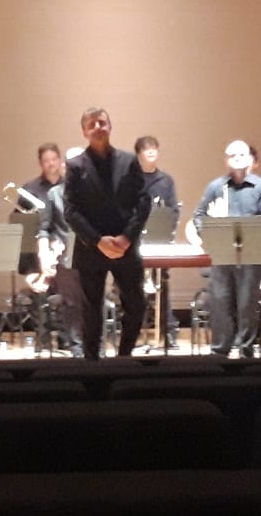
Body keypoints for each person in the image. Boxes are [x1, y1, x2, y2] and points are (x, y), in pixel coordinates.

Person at [62, 107, 152, 358]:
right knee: (91, 311)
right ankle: (93, 365)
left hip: (126, 245)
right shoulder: (76, 165)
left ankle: (124, 357)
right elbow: (70, 211)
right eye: (91, 124)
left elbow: (143, 202)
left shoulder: (129, 161)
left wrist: (127, 237)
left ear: (110, 126)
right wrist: (97, 240)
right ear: (84, 132)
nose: (97, 127)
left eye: (102, 123)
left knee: (136, 305)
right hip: (91, 248)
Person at [191, 139, 261, 358]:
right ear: (225, 161)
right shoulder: (215, 187)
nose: (237, 158)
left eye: (242, 154)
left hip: (252, 257)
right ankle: (219, 352)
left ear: (250, 159)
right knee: (220, 303)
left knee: (247, 305)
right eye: (232, 155)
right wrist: (209, 233)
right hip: (222, 256)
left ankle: (245, 352)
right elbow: (199, 215)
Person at [19, 142, 82, 356]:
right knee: (62, 301)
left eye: (54, 159)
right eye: (46, 160)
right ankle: (47, 341)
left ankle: (73, 341)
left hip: (79, 253)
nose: (51, 164)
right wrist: (39, 261)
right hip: (50, 255)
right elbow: (37, 229)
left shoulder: (84, 191)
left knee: (84, 301)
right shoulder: (35, 190)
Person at [135, 135, 183, 349]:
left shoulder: (165, 180)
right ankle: (135, 331)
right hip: (135, 240)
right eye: (147, 150)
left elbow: (173, 210)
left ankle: (168, 331)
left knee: (162, 284)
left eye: (154, 149)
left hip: (159, 239)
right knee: (133, 287)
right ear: (139, 154)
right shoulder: (131, 180)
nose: (151, 153)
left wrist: (166, 227)